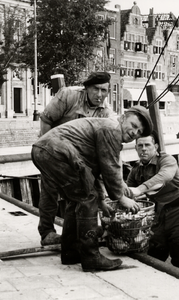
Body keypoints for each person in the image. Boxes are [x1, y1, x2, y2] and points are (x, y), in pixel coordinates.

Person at [31, 106, 153, 271]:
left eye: (139, 132)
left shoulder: (107, 128)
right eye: (133, 125)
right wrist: (121, 198)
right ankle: (91, 257)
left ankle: (71, 253)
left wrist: (101, 201)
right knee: (87, 198)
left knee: (78, 199)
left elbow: (90, 173)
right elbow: (110, 168)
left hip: (45, 149)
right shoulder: (112, 129)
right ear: (123, 117)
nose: (134, 133)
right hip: (55, 151)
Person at [38, 71, 113, 246]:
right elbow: (46, 119)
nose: (100, 95)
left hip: (79, 158)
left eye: (105, 91)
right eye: (96, 89)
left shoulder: (106, 113)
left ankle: (77, 233)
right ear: (86, 88)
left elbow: (101, 149)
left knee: (83, 193)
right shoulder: (68, 95)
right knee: (50, 190)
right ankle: (47, 232)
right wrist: (50, 149)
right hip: (53, 150)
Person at [126, 132, 179, 272]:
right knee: (155, 257)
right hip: (156, 217)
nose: (143, 149)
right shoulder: (136, 169)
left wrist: (140, 189)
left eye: (147, 145)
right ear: (136, 149)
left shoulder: (167, 160)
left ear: (155, 146)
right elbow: (127, 193)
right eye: (140, 146)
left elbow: (165, 176)